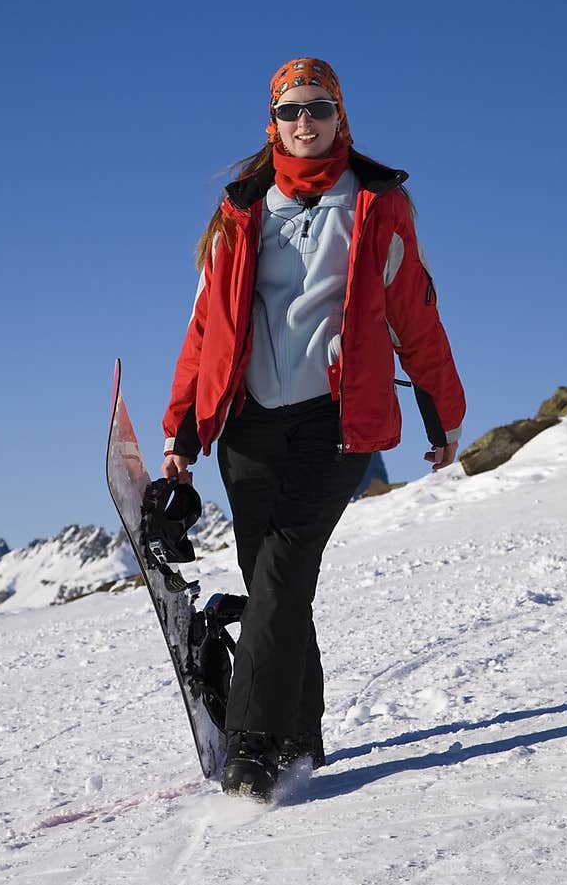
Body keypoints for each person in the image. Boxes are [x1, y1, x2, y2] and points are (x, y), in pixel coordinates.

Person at [161, 57, 465, 800]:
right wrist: (183, 430)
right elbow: (208, 327)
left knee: (285, 569)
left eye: (319, 108)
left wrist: (441, 412)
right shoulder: (242, 211)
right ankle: (302, 729)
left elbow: (415, 316)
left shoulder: (376, 205)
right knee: (272, 581)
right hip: (249, 426)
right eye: (292, 110)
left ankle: (255, 744)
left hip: (336, 424)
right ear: (273, 123)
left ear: (341, 118)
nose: (306, 122)